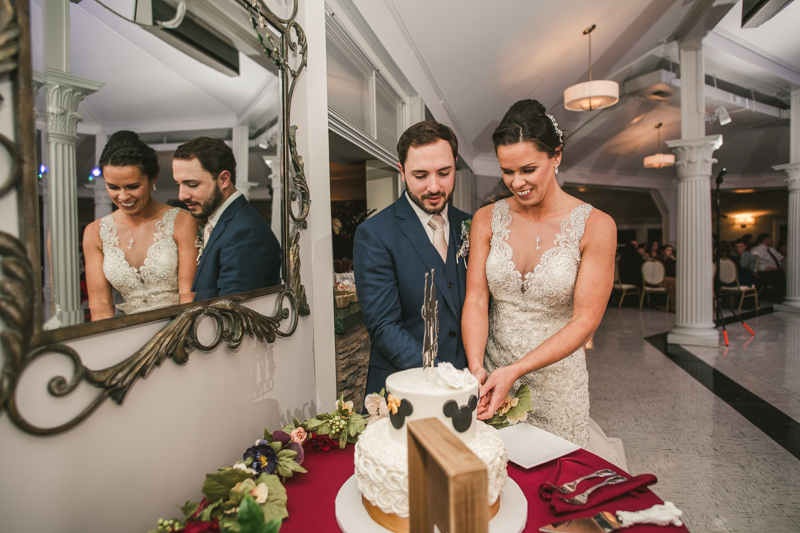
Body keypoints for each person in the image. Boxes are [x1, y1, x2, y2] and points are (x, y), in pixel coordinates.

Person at [463, 99, 625, 469]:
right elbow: (475, 299)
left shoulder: (596, 226)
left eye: (528, 169)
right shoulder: (486, 219)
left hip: (556, 381)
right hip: (492, 375)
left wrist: (517, 370)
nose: (516, 182)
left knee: (555, 489)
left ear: (556, 157)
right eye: (507, 171)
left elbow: (585, 321)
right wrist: (476, 367)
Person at [354, 121, 471, 397]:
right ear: (402, 171)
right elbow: (384, 328)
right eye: (420, 175)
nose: (434, 187)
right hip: (404, 389)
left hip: (469, 386)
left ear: (455, 164)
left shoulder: (471, 226)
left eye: (444, 173)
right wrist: (444, 376)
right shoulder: (374, 234)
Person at [83, 131, 200, 321]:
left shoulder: (183, 222)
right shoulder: (95, 233)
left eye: (132, 186)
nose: (123, 197)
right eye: (113, 187)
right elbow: (100, 306)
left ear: (152, 177)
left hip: (180, 330)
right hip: (128, 335)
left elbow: (189, 298)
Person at [173, 137, 282, 301]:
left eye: (192, 184)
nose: (182, 195)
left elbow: (233, 317)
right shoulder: (224, 221)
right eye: (178, 184)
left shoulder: (245, 233)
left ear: (224, 179)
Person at [751, 233, 785, 302]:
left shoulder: (771, 249)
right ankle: (777, 296)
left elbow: (780, 258)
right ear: (765, 240)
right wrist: (763, 268)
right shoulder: (756, 250)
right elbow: (753, 262)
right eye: (770, 238)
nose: (771, 240)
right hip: (764, 272)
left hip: (777, 270)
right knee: (779, 276)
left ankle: (782, 295)